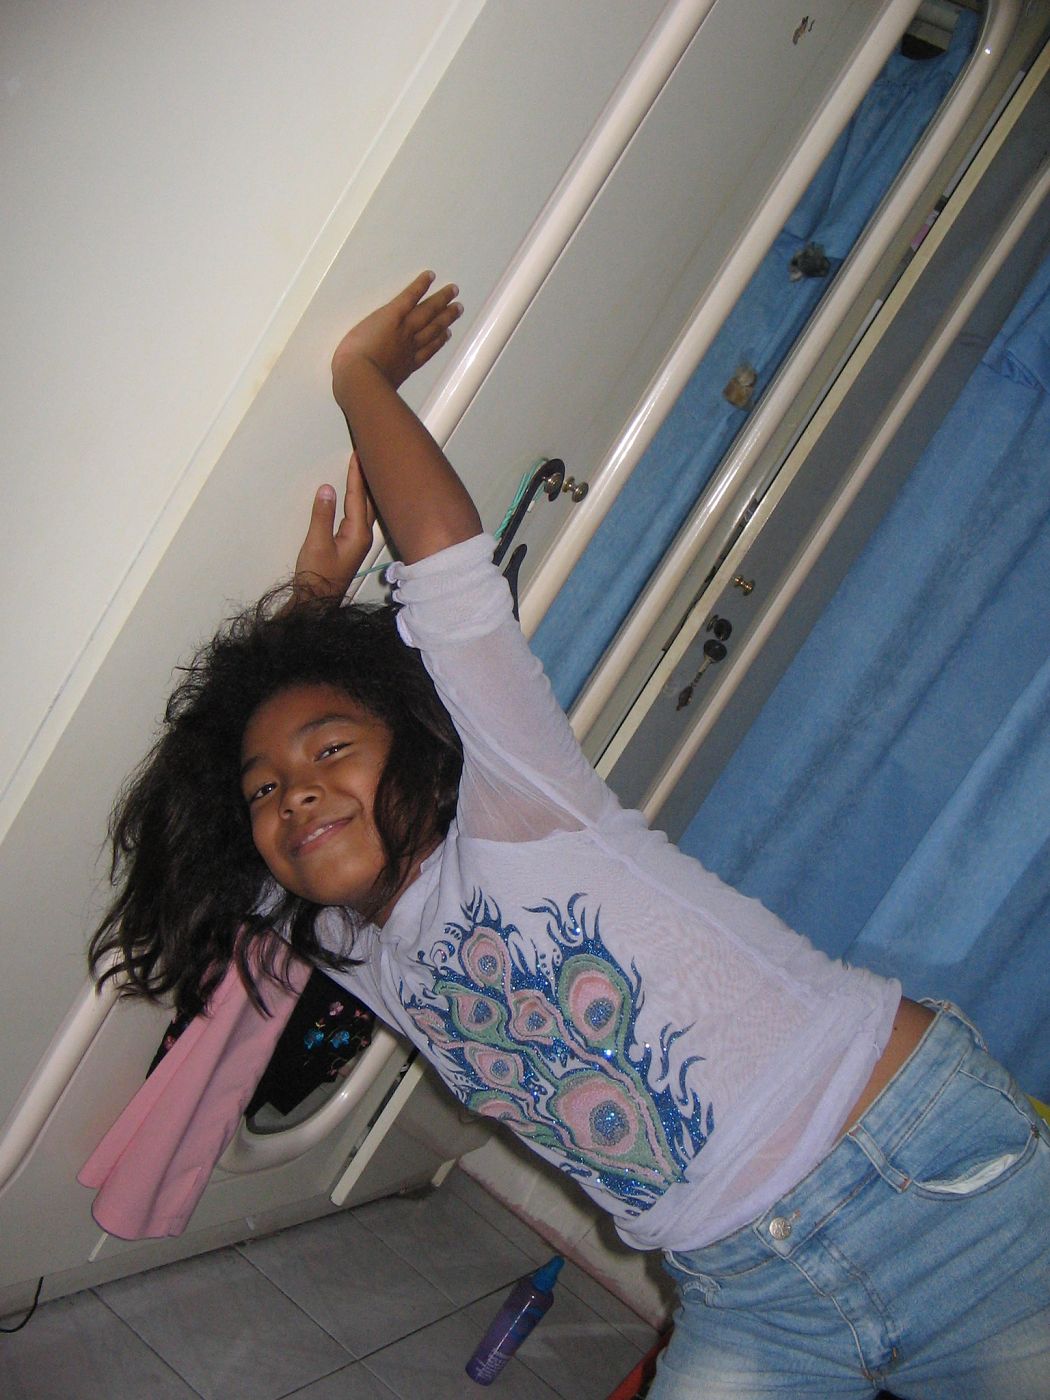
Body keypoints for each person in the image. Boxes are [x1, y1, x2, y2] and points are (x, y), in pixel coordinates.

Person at [91, 273, 1050, 1398]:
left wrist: (359, 380)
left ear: (413, 739)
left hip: (929, 1182)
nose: (294, 796)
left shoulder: (515, 807)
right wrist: (282, 665)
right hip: (753, 1292)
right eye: (268, 792)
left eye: (330, 749)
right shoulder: (349, 946)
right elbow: (205, 817)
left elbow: (447, 567)